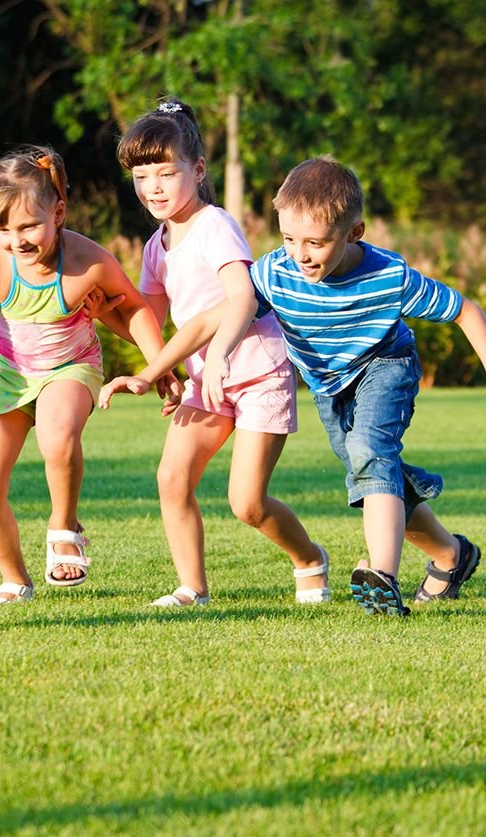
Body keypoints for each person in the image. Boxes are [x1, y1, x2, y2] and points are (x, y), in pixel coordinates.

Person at [103, 156, 486, 616]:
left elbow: (466, 310)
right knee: (374, 474)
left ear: (354, 233)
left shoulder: (390, 277)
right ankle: (451, 554)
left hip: (385, 365)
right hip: (329, 386)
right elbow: (214, 318)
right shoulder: (278, 272)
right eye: (289, 239)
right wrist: (152, 372)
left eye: (315, 242)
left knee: (370, 452)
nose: (301, 254)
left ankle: (382, 578)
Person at [0, 146, 174, 605]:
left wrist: (160, 367)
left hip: (70, 368)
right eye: (3, 229)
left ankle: (63, 524)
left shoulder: (86, 260)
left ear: (58, 212)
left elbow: (133, 308)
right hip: (6, 376)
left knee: (57, 435)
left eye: (29, 226)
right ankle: (15, 579)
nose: (18, 240)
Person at [107, 98, 328, 608]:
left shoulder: (215, 225)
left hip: (256, 371)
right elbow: (150, 322)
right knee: (172, 476)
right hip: (205, 379)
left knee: (247, 503)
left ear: (198, 170)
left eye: (167, 172)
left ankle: (309, 558)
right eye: (142, 176)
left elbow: (243, 296)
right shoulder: (155, 246)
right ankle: (192, 588)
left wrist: (221, 354)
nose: (154, 187)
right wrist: (101, 315)